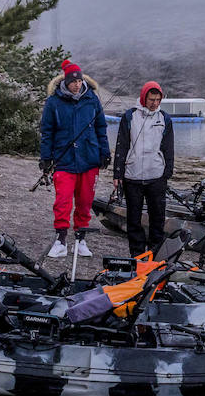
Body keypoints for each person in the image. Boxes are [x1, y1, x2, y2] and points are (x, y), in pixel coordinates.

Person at [39, 59, 109, 258]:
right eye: (73, 81)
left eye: (79, 81)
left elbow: (101, 128)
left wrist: (105, 152)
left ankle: (80, 239)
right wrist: (46, 158)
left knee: (85, 201)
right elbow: (47, 132)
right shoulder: (53, 101)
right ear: (66, 81)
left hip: (89, 158)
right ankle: (61, 240)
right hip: (64, 159)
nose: (77, 84)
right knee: (62, 201)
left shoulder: (92, 99)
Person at [112, 80, 175, 257]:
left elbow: (168, 148)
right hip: (133, 177)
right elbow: (122, 145)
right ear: (143, 98)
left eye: (157, 100)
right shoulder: (130, 116)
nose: (154, 103)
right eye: (151, 99)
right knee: (134, 220)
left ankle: (155, 255)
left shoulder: (165, 119)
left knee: (157, 220)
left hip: (156, 176)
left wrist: (167, 173)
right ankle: (137, 256)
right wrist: (118, 173)